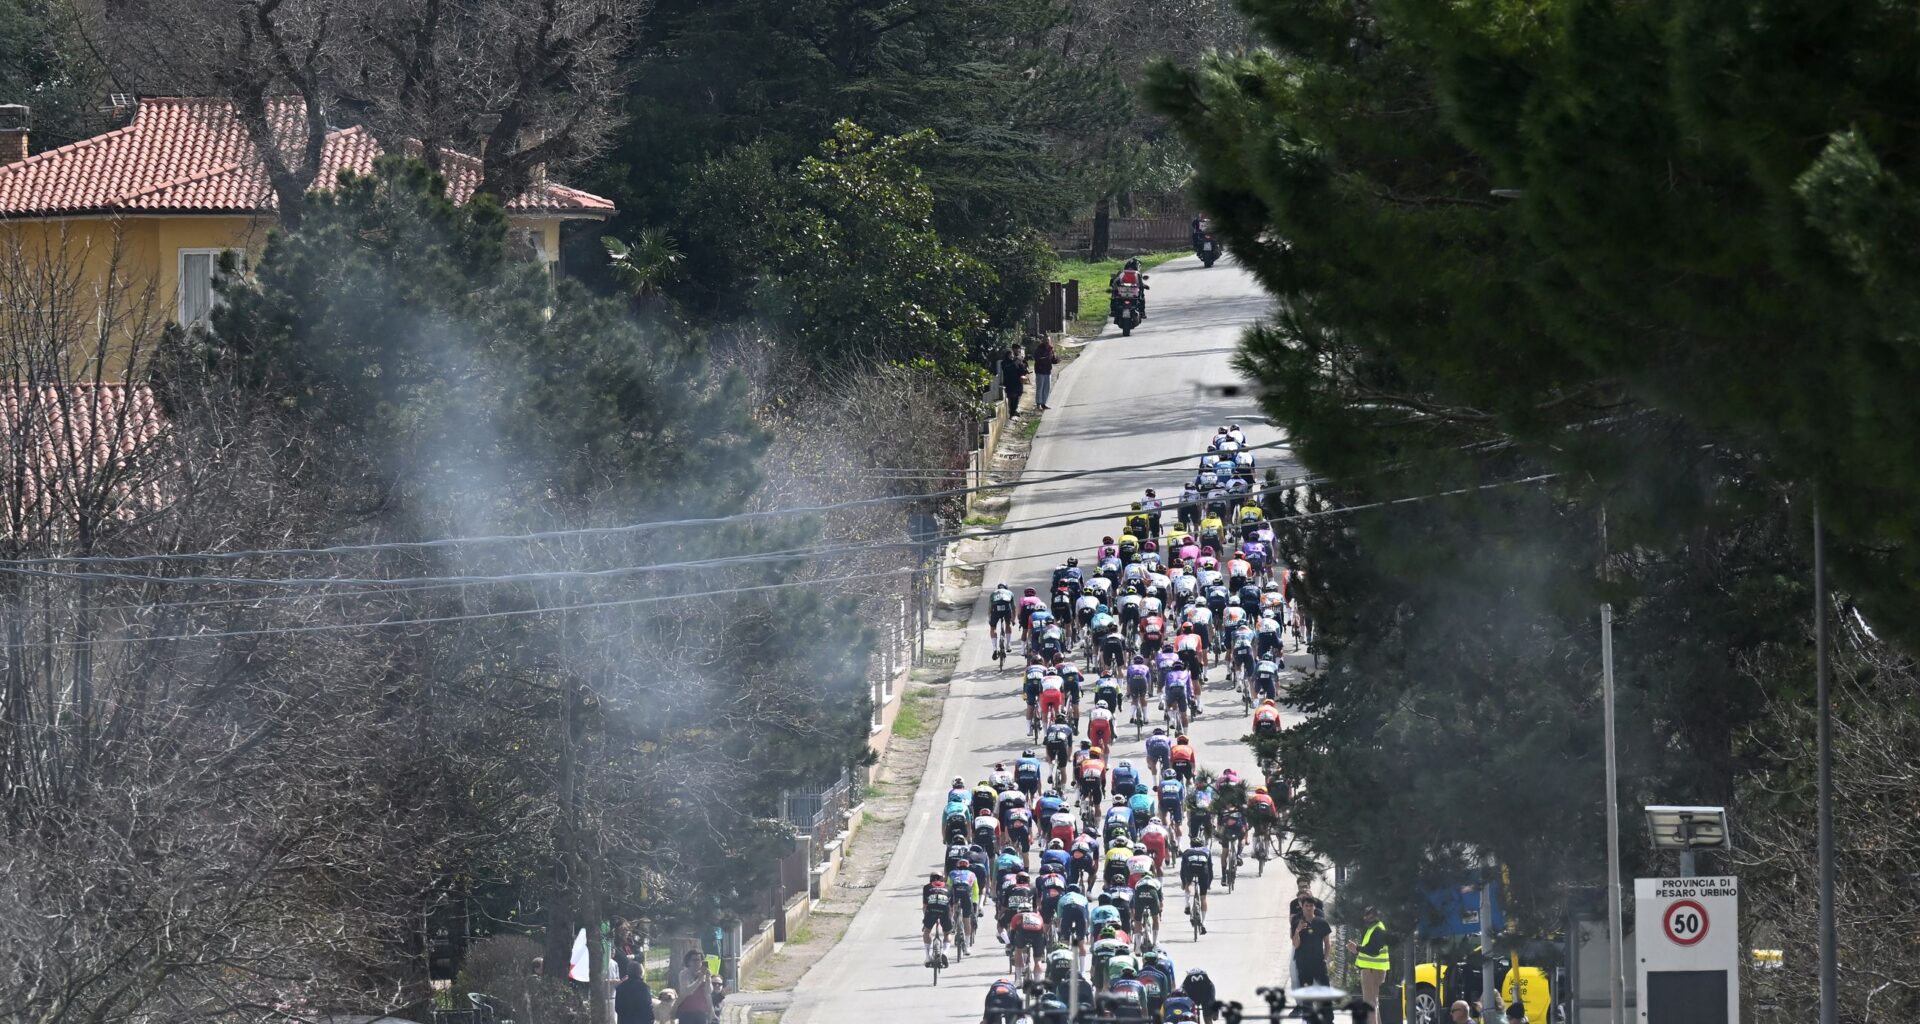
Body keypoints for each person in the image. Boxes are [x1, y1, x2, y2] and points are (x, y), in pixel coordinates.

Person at [1348, 908, 1391, 1010]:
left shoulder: (1377, 929)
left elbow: (1373, 950)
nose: (1366, 918)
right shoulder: (1374, 928)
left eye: (1368, 916)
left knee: (1370, 1004)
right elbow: (1370, 949)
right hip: (1373, 969)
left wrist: (1357, 948)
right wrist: (1357, 949)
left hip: (1372, 970)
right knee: (1374, 1002)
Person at [1291, 898, 1333, 989]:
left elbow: (1327, 943)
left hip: (1319, 962)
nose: (1309, 908)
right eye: (1306, 906)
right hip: (1303, 963)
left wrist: (1325, 959)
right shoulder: (1296, 923)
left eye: (1311, 906)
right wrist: (1298, 930)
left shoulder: (1322, 922)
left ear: (1315, 907)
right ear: (1302, 907)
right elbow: (1296, 944)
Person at [674, 949, 716, 1024]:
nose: (697, 962)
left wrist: (708, 979)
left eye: (699, 960)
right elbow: (687, 991)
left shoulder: (704, 973)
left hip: (702, 1012)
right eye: (694, 960)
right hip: (686, 1012)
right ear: (688, 961)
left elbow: (709, 991)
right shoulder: (684, 974)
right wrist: (699, 979)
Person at [615, 959, 656, 1024]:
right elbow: (647, 1005)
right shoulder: (644, 987)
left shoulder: (620, 987)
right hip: (641, 1019)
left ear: (628, 972)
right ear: (640, 972)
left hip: (625, 1019)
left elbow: (617, 1007)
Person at [999, 347, 1028, 417]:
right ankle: (1012, 413)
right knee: (1012, 399)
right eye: (1010, 355)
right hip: (1010, 383)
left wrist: (1023, 366)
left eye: (1012, 355)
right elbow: (1007, 369)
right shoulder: (1004, 363)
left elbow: (1021, 369)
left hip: (1018, 383)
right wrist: (1015, 363)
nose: (1011, 356)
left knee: (1017, 398)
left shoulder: (1016, 361)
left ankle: (1014, 411)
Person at [1033, 336, 1058, 410]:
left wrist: (1056, 360)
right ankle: (1038, 404)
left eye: (1048, 340)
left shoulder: (1051, 349)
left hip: (1047, 371)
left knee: (1047, 388)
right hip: (1040, 371)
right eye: (1046, 340)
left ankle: (1044, 403)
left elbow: (1052, 360)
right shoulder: (1039, 349)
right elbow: (1037, 359)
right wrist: (1047, 358)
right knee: (1040, 388)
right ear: (1043, 341)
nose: (1047, 341)